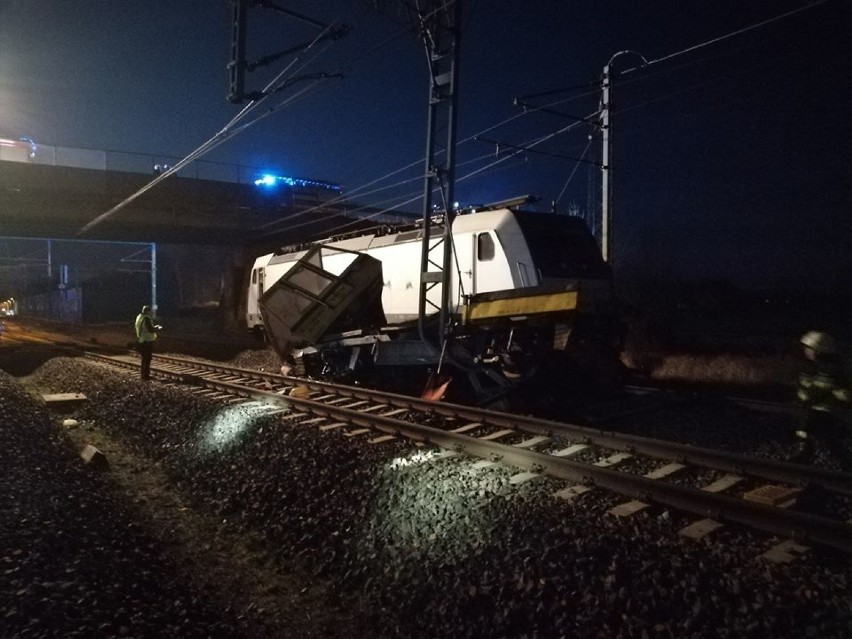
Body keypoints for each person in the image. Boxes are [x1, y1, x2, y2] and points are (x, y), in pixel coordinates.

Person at [792, 330, 852, 471]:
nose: (806, 351)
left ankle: (805, 453)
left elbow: (815, 392)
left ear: (819, 351)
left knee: (826, 439)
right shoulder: (815, 367)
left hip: (829, 412)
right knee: (825, 439)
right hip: (822, 410)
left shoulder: (829, 370)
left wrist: (804, 398)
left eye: (809, 348)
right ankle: (805, 454)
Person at [134, 305, 161, 380]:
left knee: (144, 359)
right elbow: (150, 329)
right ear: (148, 311)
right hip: (147, 341)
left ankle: (143, 375)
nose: (151, 313)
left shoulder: (139, 317)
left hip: (141, 340)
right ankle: (146, 376)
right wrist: (157, 328)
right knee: (147, 359)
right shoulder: (146, 318)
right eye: (150, 311)